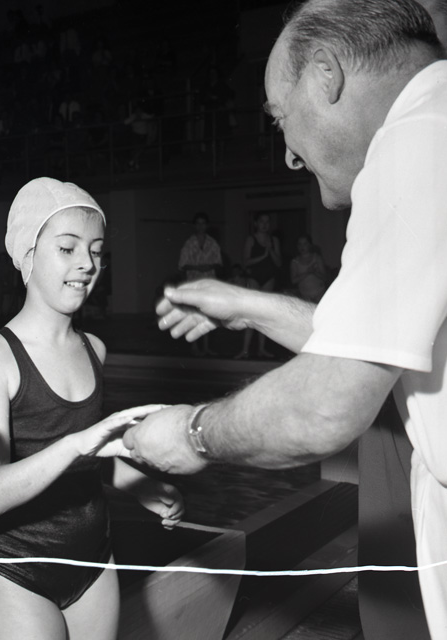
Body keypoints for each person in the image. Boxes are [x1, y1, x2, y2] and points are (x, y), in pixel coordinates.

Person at [123, 1, 447, 638]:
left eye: (280, 118)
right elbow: (370, 345)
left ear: (326, 74)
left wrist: (191, 433)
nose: (292, 158)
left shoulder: (416, 139)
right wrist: (249, 305)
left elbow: (328, 403)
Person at [0, 178, 184, 640]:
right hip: (18, 572)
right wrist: (76, 444)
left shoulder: (94, 350)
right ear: (28, 255)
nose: (87, 263)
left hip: (94, 561)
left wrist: (141, 485)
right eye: (67, 248)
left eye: (96, 251)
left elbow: (91, 457)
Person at [235, 212, 282, 358]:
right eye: (262, 221)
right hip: (254, 277)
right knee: (251, 314)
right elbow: (245, 262)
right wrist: (263, 255)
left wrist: (270, 250)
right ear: (256, 223)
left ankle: (262, 349)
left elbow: (279, 263)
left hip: (268, 278)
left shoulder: (274, 240)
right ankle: (245, 350)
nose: (264, 225)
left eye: (267, 222)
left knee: (264, 315)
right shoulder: (251, 239)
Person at [178, 212, 222, 356]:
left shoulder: (212, 243)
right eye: (198, 223)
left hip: (208, 282)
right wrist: (197, 267)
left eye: (203, 223)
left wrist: (209, 266)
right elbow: (182, 264)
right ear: (194, 225)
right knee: (194, 314)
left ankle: (206, 346)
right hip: (194, 282)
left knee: (207, 314)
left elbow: (218, 262)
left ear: (207, 225)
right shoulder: (189, 243)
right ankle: (195, 346)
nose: (201, 226)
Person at [290, 234, 326, 303]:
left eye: (305, 244)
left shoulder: (317, 258)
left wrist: (314, 272)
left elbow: (325, 277)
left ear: (310, 245)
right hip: (305, 296)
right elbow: (293, 280)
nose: (302, 247)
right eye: (300, 244)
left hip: (320, 294)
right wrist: (307, 272)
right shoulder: (294, 262)